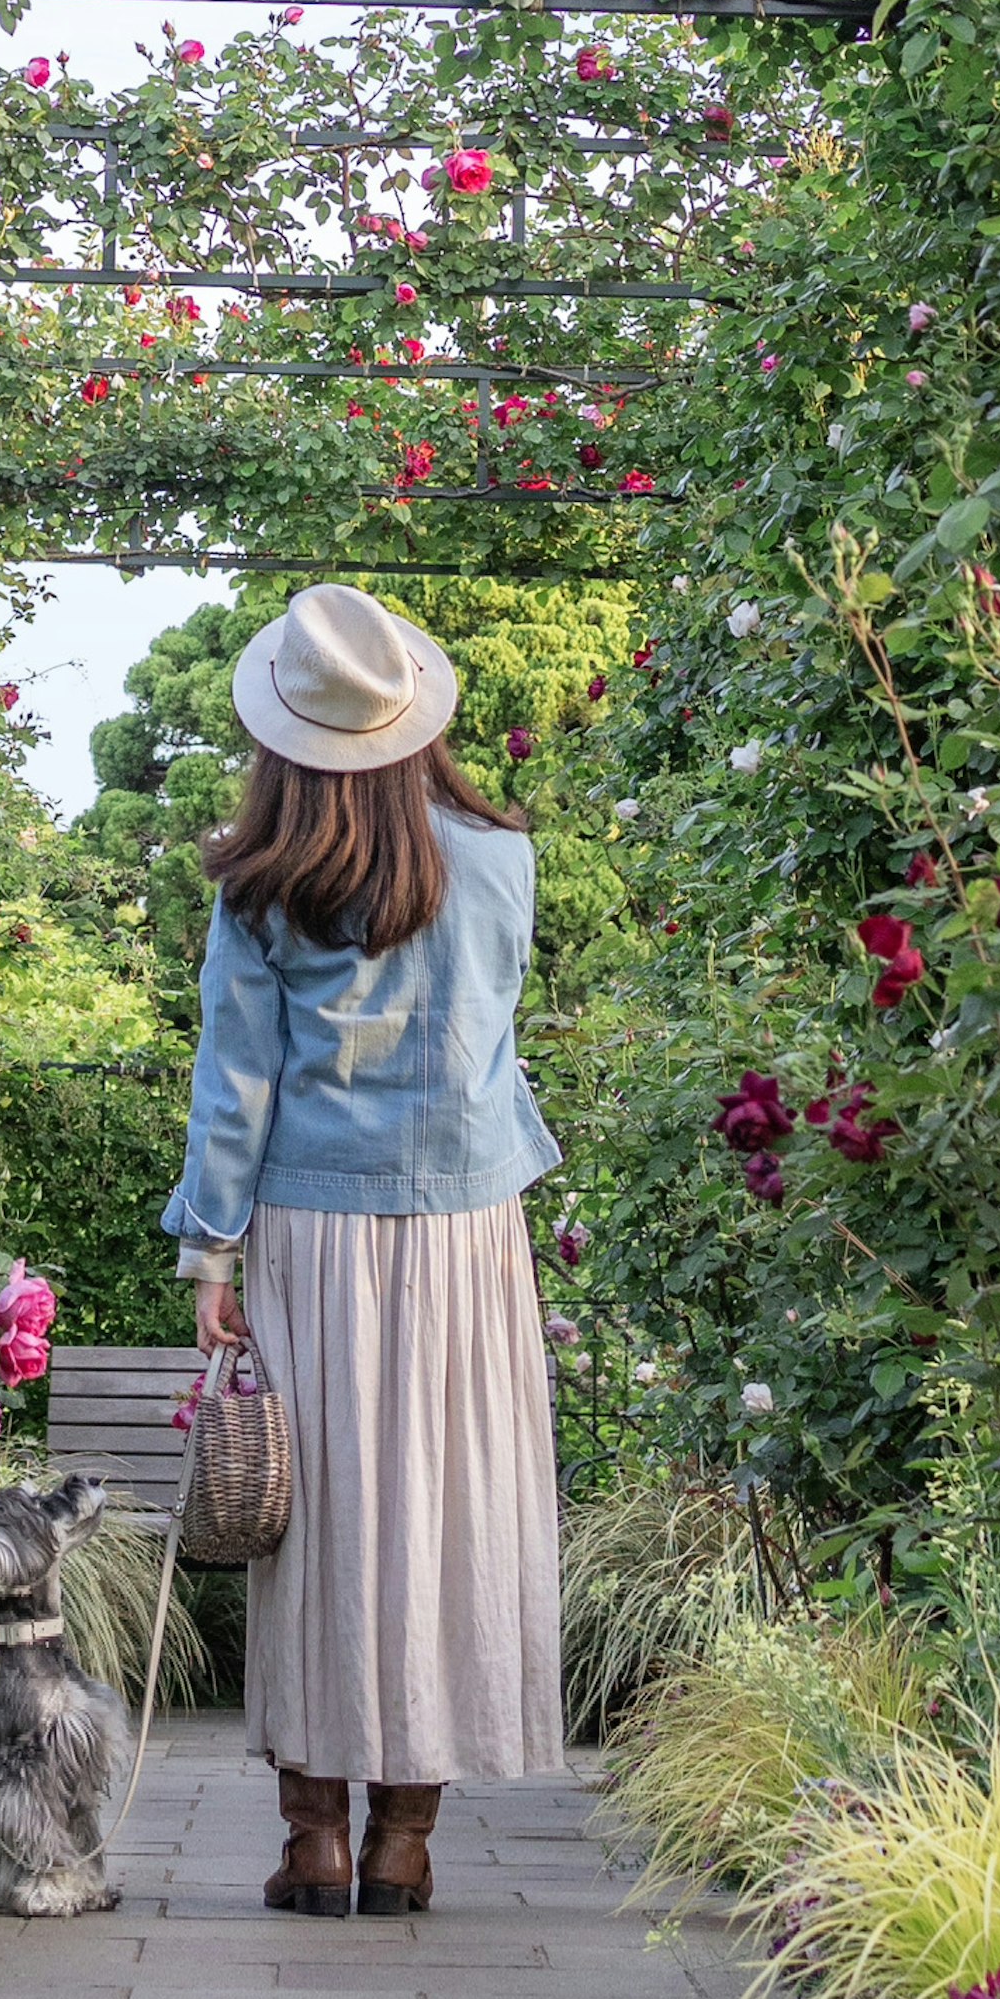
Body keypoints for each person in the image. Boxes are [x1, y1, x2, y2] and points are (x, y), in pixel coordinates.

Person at [160, 579, 567, 1917]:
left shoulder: (263, 883)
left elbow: (238, 1082)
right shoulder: (502, 861)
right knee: (443, 1512)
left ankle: (313, 1840)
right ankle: (406, 1842)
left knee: (315, 1518)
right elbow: (491, 1047)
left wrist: (211, 1255)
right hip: (464, 1231)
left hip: (310, 1227)